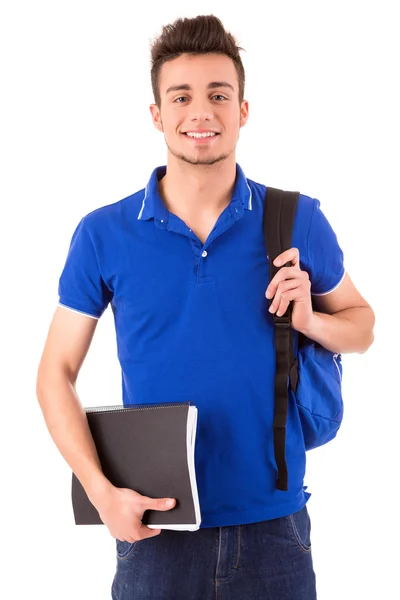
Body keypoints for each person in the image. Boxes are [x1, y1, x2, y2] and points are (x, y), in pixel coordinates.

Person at [36, 13, 375, 600]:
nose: (201, 112)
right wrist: (100, 492)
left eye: (219, 95)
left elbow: (363, 326)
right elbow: (54, 374)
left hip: (275, 528)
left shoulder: (296, 219)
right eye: (182, 96)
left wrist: (311, 320)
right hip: (154, 528)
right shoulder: (103, 234)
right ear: (157, 115)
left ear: (243, 109)